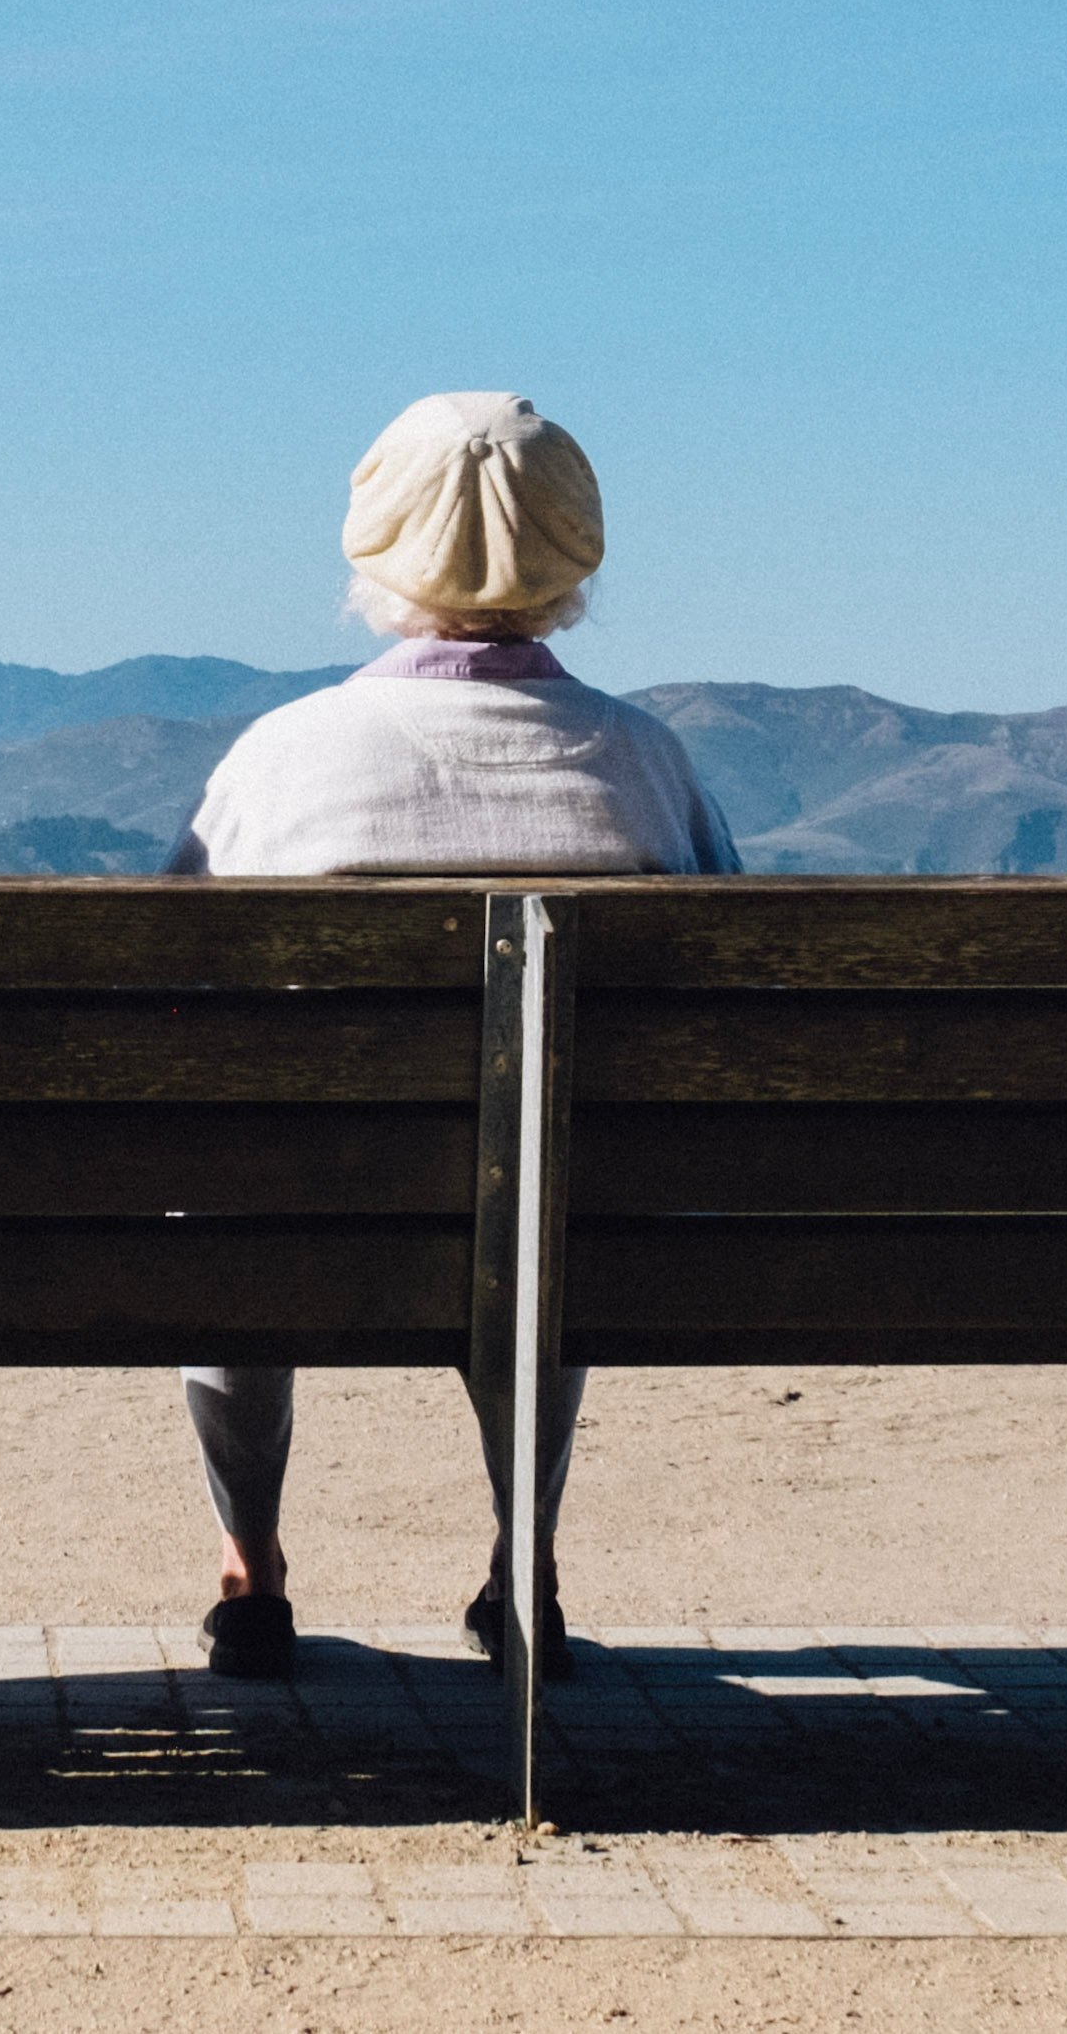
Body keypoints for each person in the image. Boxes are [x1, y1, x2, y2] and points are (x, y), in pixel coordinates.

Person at [165, 389, 739, 1683]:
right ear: (574, 553)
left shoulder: (281, 761)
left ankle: (251, 1568)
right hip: (568, 1231)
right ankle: (520, 1557)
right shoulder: (644, 764)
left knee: (230, 1204)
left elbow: (171, 1011)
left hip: (311, 1222)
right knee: (541, 1199)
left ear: (375, 552)